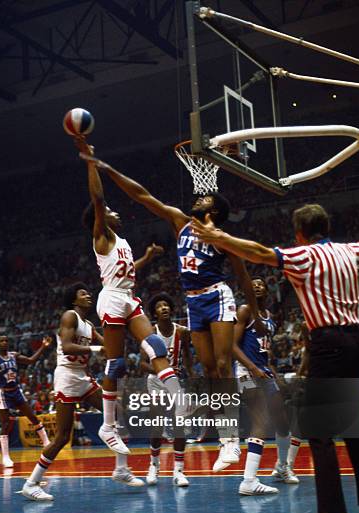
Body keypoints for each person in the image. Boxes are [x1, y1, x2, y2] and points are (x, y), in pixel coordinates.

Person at [192, 203, 359, 513]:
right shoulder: (351, 251)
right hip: (356, 342)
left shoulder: (304, 256)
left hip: (328, 344)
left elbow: (258, 253)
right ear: (327, 226)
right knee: (357, 427)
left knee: (319, 433)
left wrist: (219, 237)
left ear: (299, 234)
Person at [78, 151, 262, 468]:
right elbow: (143, 196)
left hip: (217, 295)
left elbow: (243, 275)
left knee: (221, 364)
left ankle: (230, 440)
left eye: (205, 199)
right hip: (193, 300)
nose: (198, 199)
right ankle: (224, 437)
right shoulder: (181, 222)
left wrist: (255, 311)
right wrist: (110, 170)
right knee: (208, 370)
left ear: (215, 210)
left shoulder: (223, 237)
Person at [76, 140, 191, 487]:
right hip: (110, 299)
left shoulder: (121, 243)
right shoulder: (101, 235)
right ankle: (108, 425)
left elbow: (123, 269)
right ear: (99, 219)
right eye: (109, 211)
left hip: (126, 295)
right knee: (116, 364)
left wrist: (147, 259)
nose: (114, 212)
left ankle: (179, 399)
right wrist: (92, 162)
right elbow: (98, 200)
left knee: (156, 343)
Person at [229, 277, 300, 495]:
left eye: (261, 284)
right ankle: (248, 480)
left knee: (282, 422)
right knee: (260, 419)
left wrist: (273, 374)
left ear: (267, 290)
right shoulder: (244, 311)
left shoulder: (270, 317)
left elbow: (264, 352)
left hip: (264, 371)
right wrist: (253, 368)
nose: (257, 286)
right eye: (253, 284)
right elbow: (231, 345)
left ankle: (282, 467)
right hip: (245, 372)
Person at [140, 292, 194, 487]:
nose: (163, 308)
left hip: (177, 382)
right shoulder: (150, 334)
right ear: (154, 313)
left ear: (171, 309)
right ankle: (154, 465)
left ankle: (178, 471)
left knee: (180, 426)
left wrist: (192, 375)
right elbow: (143, 364)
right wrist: (163, 370)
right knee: (157, 425)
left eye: (166, 305)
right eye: (159, 306)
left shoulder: (182, 332)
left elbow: (188, 356)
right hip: (156, 381)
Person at [0, 334, 52, 468]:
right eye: (1, 340)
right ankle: (5, 457)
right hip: (2, 393)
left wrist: (43, 346)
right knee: (6, 423)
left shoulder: (14, 355)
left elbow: (31, 360)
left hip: (16, 390)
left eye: (6, 340)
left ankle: (47, 443)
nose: (4, 342)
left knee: (32, 416)